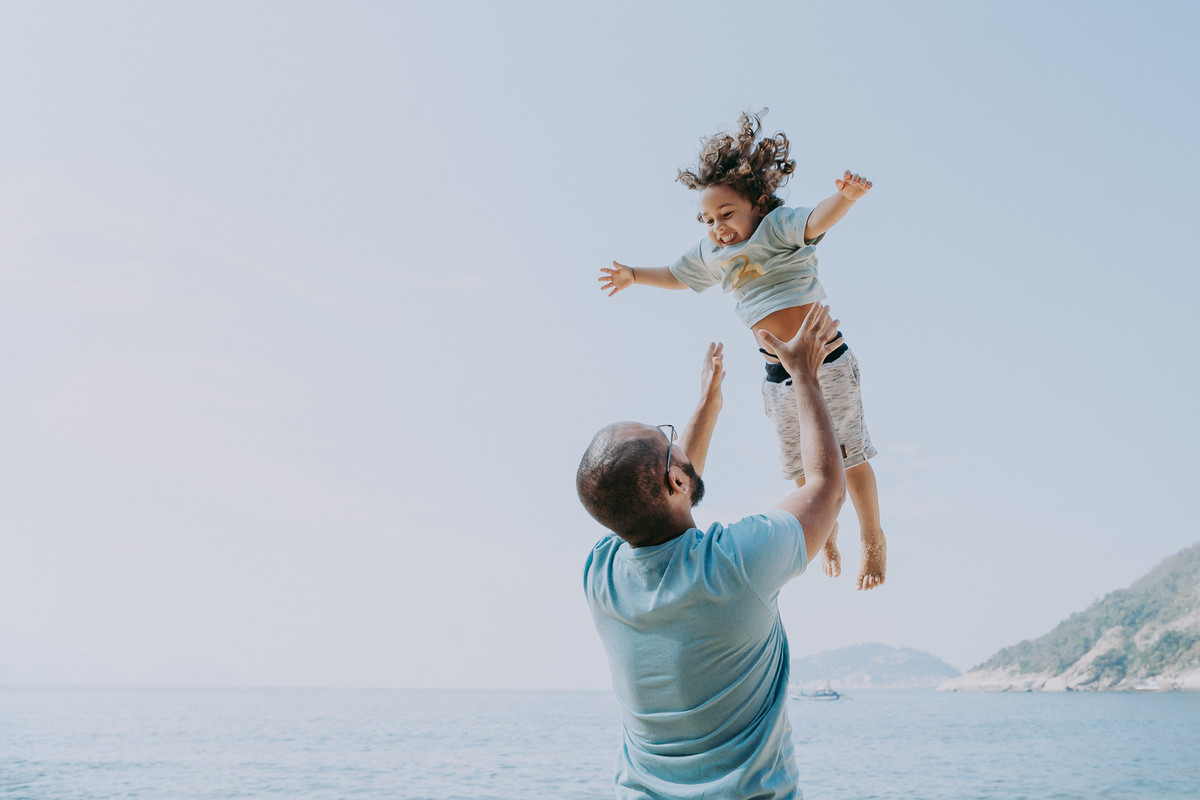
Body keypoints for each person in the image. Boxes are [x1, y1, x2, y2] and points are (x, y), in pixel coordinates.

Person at [598, 111, 885, 590]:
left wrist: (847, 198)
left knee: (849, 455)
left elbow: (818, 218)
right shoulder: (711, 254)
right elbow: (676, 275)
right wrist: (634, 275)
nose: (717, 227)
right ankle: (825, 531)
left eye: (726, 214)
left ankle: (872, 535)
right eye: (708, 219)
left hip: (824, 359)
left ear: (758, 204)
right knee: (801, 463)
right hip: (777, 374)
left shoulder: (778, 228)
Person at [577, 304, 846, 799]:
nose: (677, 443)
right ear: (676, 479)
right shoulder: (738, 562)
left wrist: (706, 407)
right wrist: (804, 376)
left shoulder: (601, 575)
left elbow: (657, 502)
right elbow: (827, 488)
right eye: (668, 438)